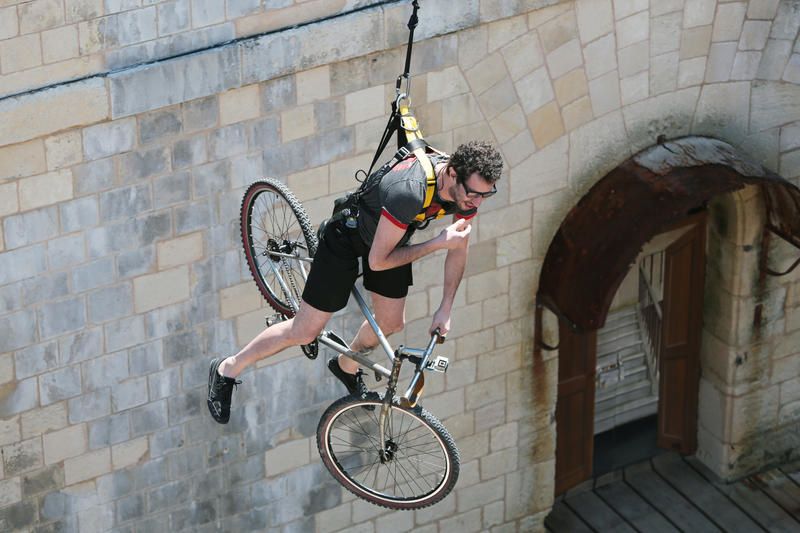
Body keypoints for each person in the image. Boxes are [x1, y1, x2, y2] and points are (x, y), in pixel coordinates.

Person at [207, 140, 503, 424]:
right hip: (347, 238)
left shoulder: (466, 192)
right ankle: (227, 368)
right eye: (473, 193)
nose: (476, 202)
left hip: (390, 238)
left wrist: (445, 308)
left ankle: (345, 366)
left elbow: (458, 247)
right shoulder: (409, 192)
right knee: (305, 331)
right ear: (452, 172)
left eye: (485, 195)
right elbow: (379, 262)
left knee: (391, 323)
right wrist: (437, 243)